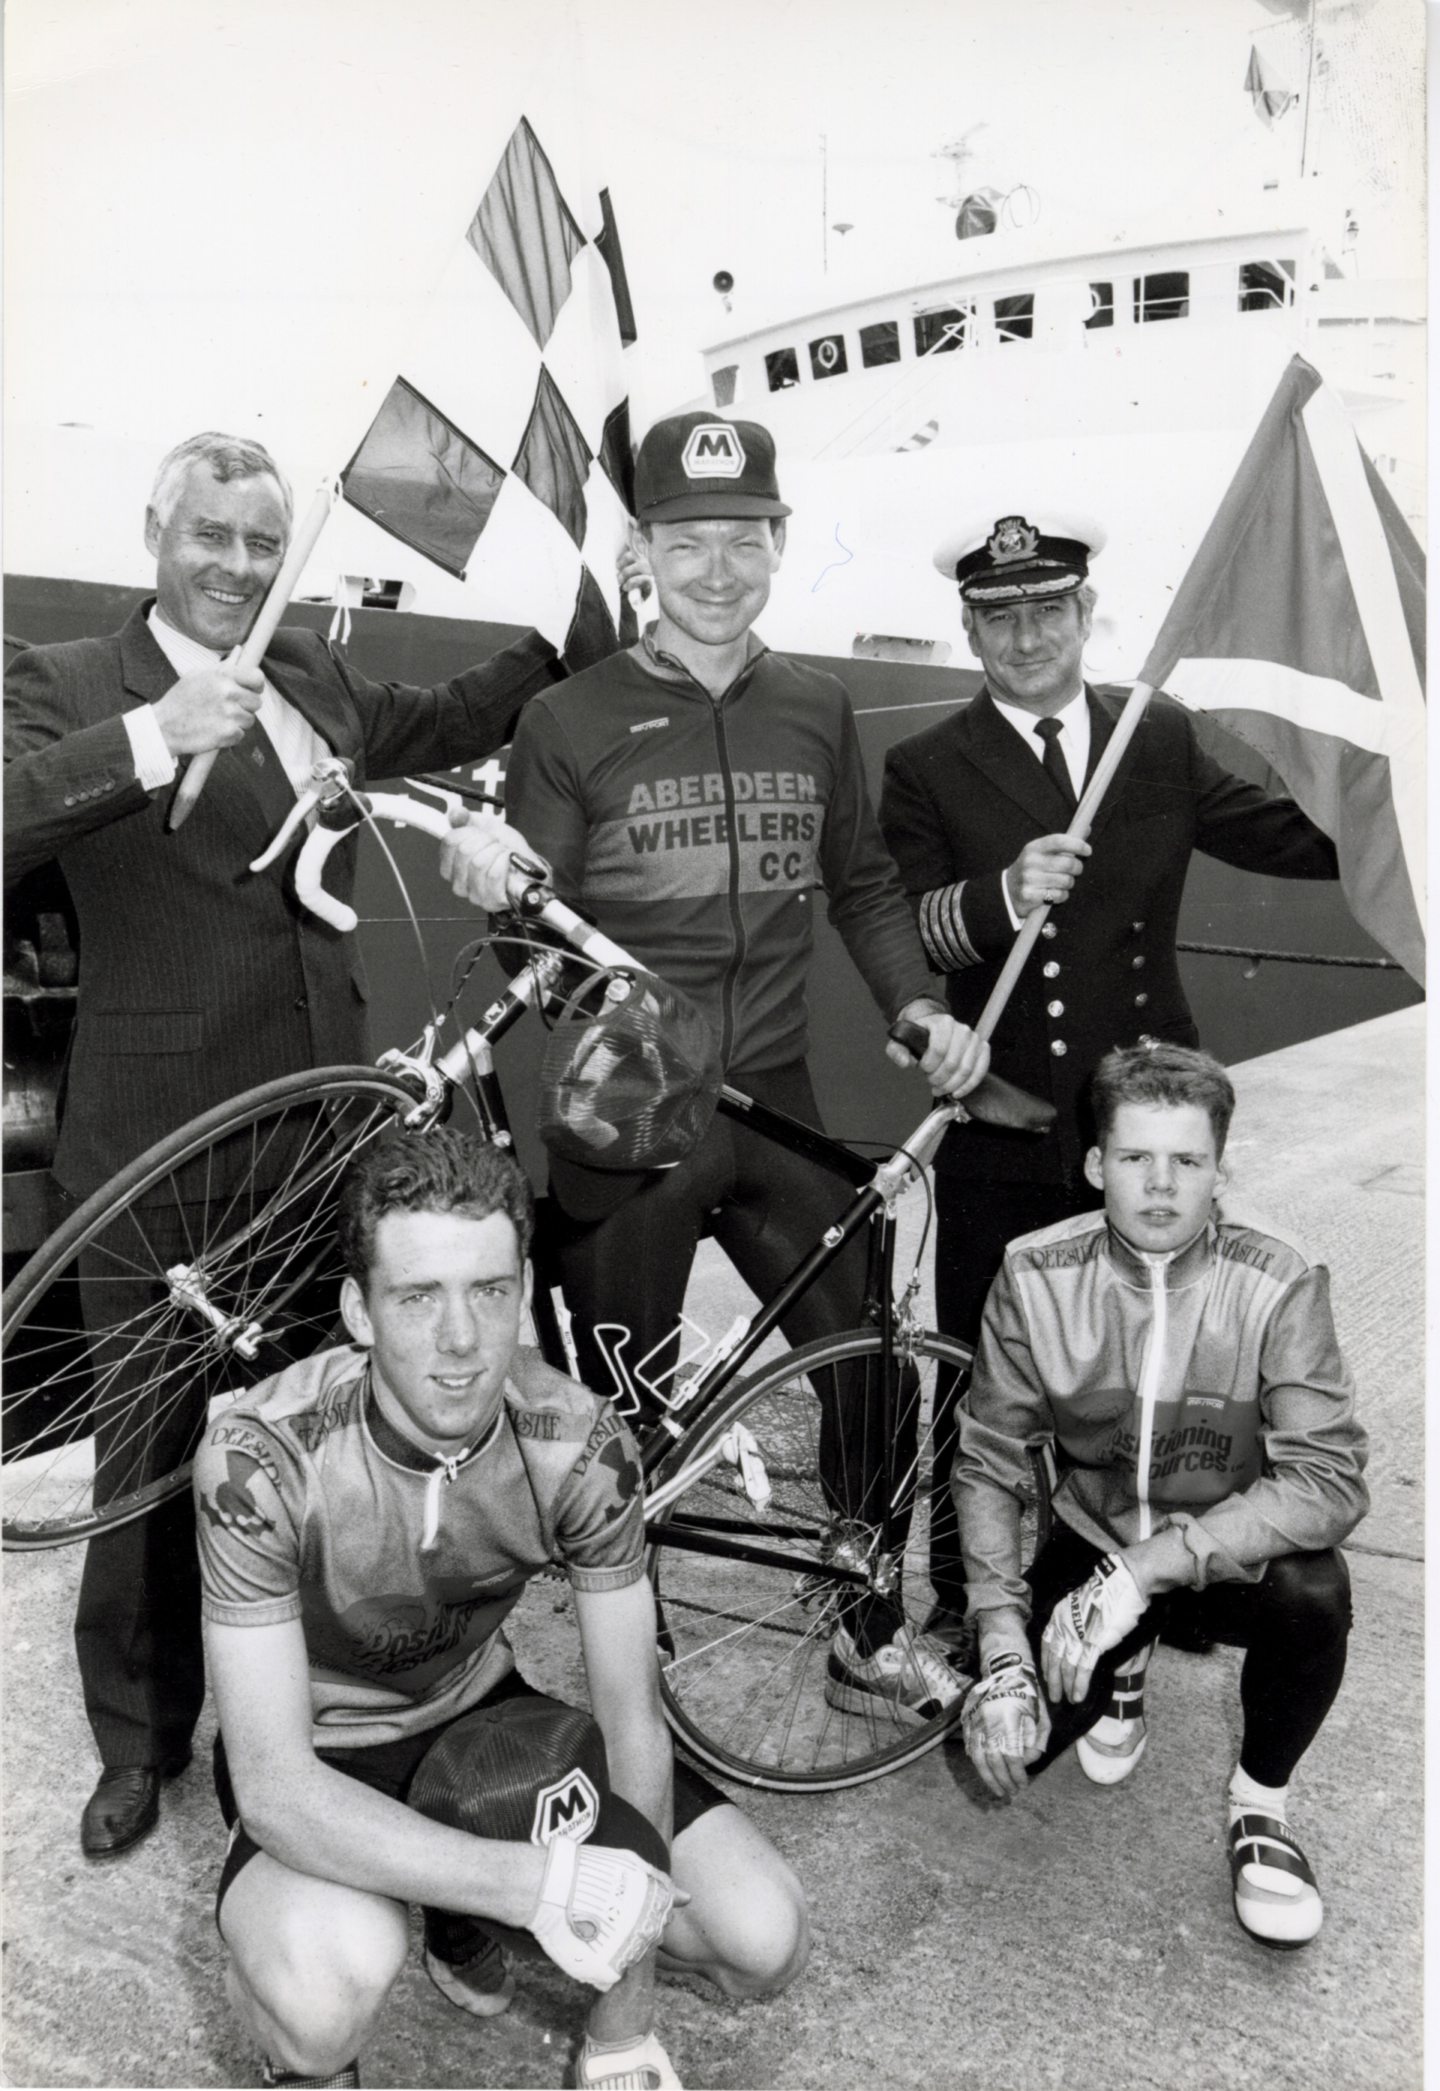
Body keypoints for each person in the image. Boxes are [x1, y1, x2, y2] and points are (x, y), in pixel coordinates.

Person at [3, 431, 580, 1859]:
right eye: (213, 535)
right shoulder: (70, 682)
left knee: (319, 1461)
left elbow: (444, 714)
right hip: (155, 1155)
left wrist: (571, 628)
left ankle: (317, 1712)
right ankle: (141, 1743)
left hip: (319, 1144)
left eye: (264, 542)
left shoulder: (310, 673)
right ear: (157, 531)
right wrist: (155, 737)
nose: (240, 566)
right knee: (144, 1470)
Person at [490, 408, 991, 1724]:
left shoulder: (816, 707)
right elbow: (513, 934)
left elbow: (869, 888)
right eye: (685, 540)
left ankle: (869, 1624)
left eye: (742, 539)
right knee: (620, 1412)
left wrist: (918, 1008)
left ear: (778, 543)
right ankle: (627, 1655)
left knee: (875, 1361)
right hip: (627, 1117)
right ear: (640, 549)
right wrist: (506, 892)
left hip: (774, 1101)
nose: (716, 567)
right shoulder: (565, 715)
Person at [195, 1127, 807, 2090]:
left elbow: (633, 1722)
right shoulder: (259, 1458)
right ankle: (319, 2002)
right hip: (324, 1751)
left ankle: (456, 1903)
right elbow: (270, 1783)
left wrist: (621, 2016)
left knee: (762, 1933)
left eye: (489, 1290)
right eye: (417, 1296)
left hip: (483, 1717)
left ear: (523, 1288)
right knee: (323, 1997)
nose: (460, 1340)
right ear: (358, 1309)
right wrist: (538, 1886)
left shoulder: (578, 1441)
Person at [877, 509, 1340, 1640]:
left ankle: (1151, 1587)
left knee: (1163, 1364)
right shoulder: (927, 765)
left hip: (1148, 1121)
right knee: (985, 1373)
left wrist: (1394, 807)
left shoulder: (1157, 735)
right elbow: (907, 931)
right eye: (1000, 615)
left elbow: (1283, 835)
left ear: (1087, 613)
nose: (1027, 635)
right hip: (1008, 1112)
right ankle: (960, 1601)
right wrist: (1002, 894)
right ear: (970, 628)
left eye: (1048, 609)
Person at [952, 1043, 1368, 1948]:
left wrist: (1143, 1572)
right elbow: (988, 1460)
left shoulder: (1280, 1278)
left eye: (1188, 1160)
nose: (1162, 1184)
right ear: (1097, 1164)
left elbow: (1329, 1479)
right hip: (1091, 1537)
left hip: (1223, 1546)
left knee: (1317, 1593)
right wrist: (999, 1643)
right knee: (1005, 1748)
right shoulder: (1033, 1274)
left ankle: (1260, 1806)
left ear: (1222, 1169)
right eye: (1136, 1156)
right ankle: (1122, 1668)